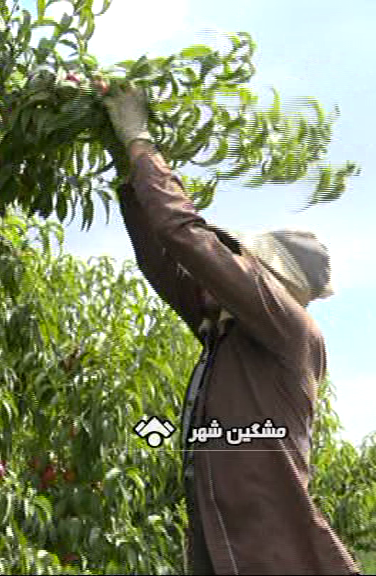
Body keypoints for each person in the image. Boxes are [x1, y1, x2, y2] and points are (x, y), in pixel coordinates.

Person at [103, 82, 360, 575]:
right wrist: (125, 160)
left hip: (273, 560)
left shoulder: (288, 324)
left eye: (243, 262)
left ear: (273, 279)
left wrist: (141, 141)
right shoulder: (230, 336)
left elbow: (184, 237)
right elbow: (163, 261)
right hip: (235, 558)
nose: (230, 268)